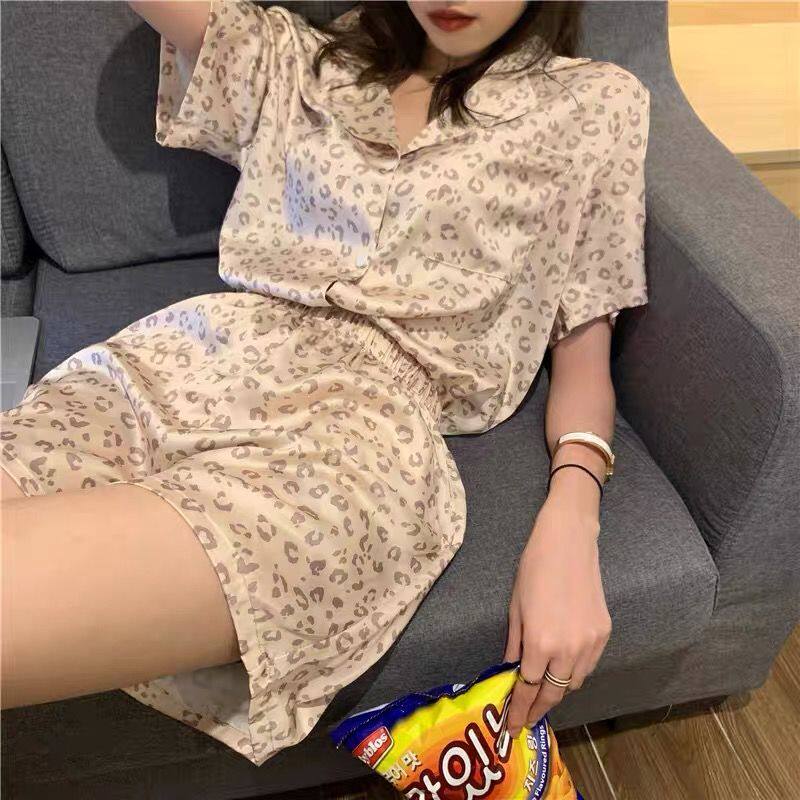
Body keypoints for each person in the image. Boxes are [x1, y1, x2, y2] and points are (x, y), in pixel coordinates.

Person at [0, 0, 650, 767]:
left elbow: (584, 358)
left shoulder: (593, 105)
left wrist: (572, 524)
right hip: (178, 361)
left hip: (356, 436)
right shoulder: (297, 61)